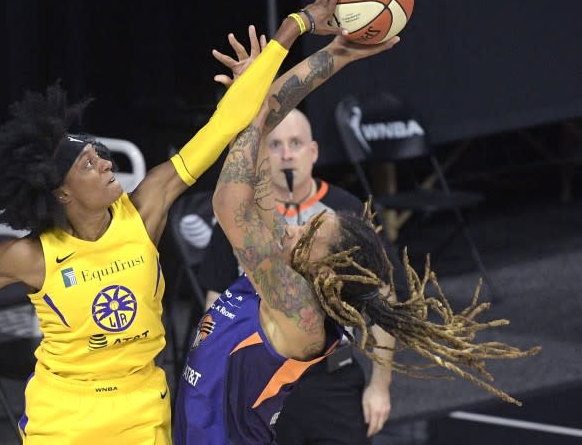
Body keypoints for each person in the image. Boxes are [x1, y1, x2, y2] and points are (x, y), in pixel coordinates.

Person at [0, 0, 354, 443]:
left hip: (141, 407)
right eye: (87, 162)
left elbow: (225, 124)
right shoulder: (28, 256)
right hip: (65, 416)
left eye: (98, 152)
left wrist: (299, 23)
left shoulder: (146, 207)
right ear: (60, 193)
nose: (104, 161)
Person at [173, 30, 540, 444]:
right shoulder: (286, 271)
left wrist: (287, 44)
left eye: (308, 236)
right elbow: (260, 152)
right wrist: (335, 54)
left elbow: (228, 202)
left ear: (325, 274)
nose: (293, 227)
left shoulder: (297, 309)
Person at [198, 106, 400, 443]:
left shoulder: (346, 214)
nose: (287, 155)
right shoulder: (245, 222)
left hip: (330, 377)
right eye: (276, 145)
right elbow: (215, 303)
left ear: (314, 151)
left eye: (295, 143)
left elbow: (382, 300)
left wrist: (380, 386)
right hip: (261, 378)